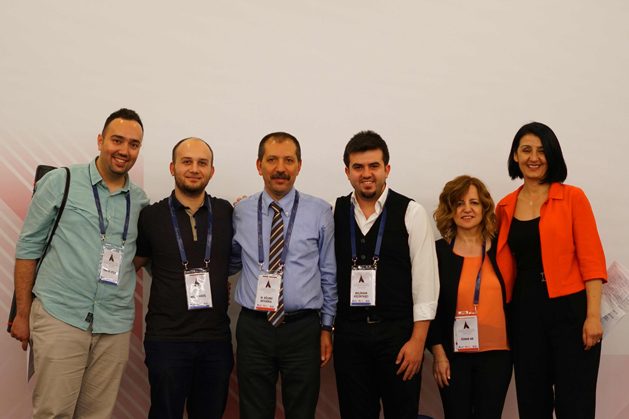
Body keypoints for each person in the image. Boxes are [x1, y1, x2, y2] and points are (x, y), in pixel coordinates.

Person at [11, 108, 149, 418]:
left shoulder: (141, 202)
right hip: (61, 315)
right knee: (54, 412)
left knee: (97, 415)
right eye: (117, 140)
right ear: (101, 140)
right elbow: (28, 248)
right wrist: (22, 313)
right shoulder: (62, 182)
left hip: (113, 324)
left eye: (133, 144)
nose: (124, 150)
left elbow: (136, 256)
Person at [495, 122, 606, 419]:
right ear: (515, 156)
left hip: (571, 311)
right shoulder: (505, 206)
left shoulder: (573, 197)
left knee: (576, 405)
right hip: (525, 313)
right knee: (532, 403)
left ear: (552, 155)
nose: (534, 157)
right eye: (526, 150)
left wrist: (593, 316)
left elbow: (592, 261)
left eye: (542, 151)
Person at [333, 130, 439, 419]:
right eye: (358, 167)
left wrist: (418, 342)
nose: (366, 174)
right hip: (349, 337)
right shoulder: (335, 212)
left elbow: (426, 283)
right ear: (347, 172)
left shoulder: (412, 212)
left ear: (387, 169)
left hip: (398, 337)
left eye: (374, 166)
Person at [231, 132, 337, 419]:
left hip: (303, 330)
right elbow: (230, 261)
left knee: (301, 412)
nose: (280, 168)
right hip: (254, 329)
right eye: (272, 160)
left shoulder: (320, 212)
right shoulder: (241, 211)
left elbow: (328, 274)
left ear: (299, 166)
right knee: (254, 412)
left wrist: (327, 327)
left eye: (288, 160)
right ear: (259, 165)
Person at [134, 138, 234, 419]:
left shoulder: (227, 212)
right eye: (186, 162)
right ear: (172, 167)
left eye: (202, 163)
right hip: (167, 339)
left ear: (212, 170)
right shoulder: (150, 216)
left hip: (215, 340)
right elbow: (133, 264)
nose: (194, 169)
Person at [428, 175, 511, 419]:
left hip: (498, 356)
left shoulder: (502, 249)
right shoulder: (437, 253)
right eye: (459, 203)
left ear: (484, 208)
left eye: (474, 203)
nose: (467, 209)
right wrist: (438, 354)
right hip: (453, 357)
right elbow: (429, 306)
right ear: (449, 209)